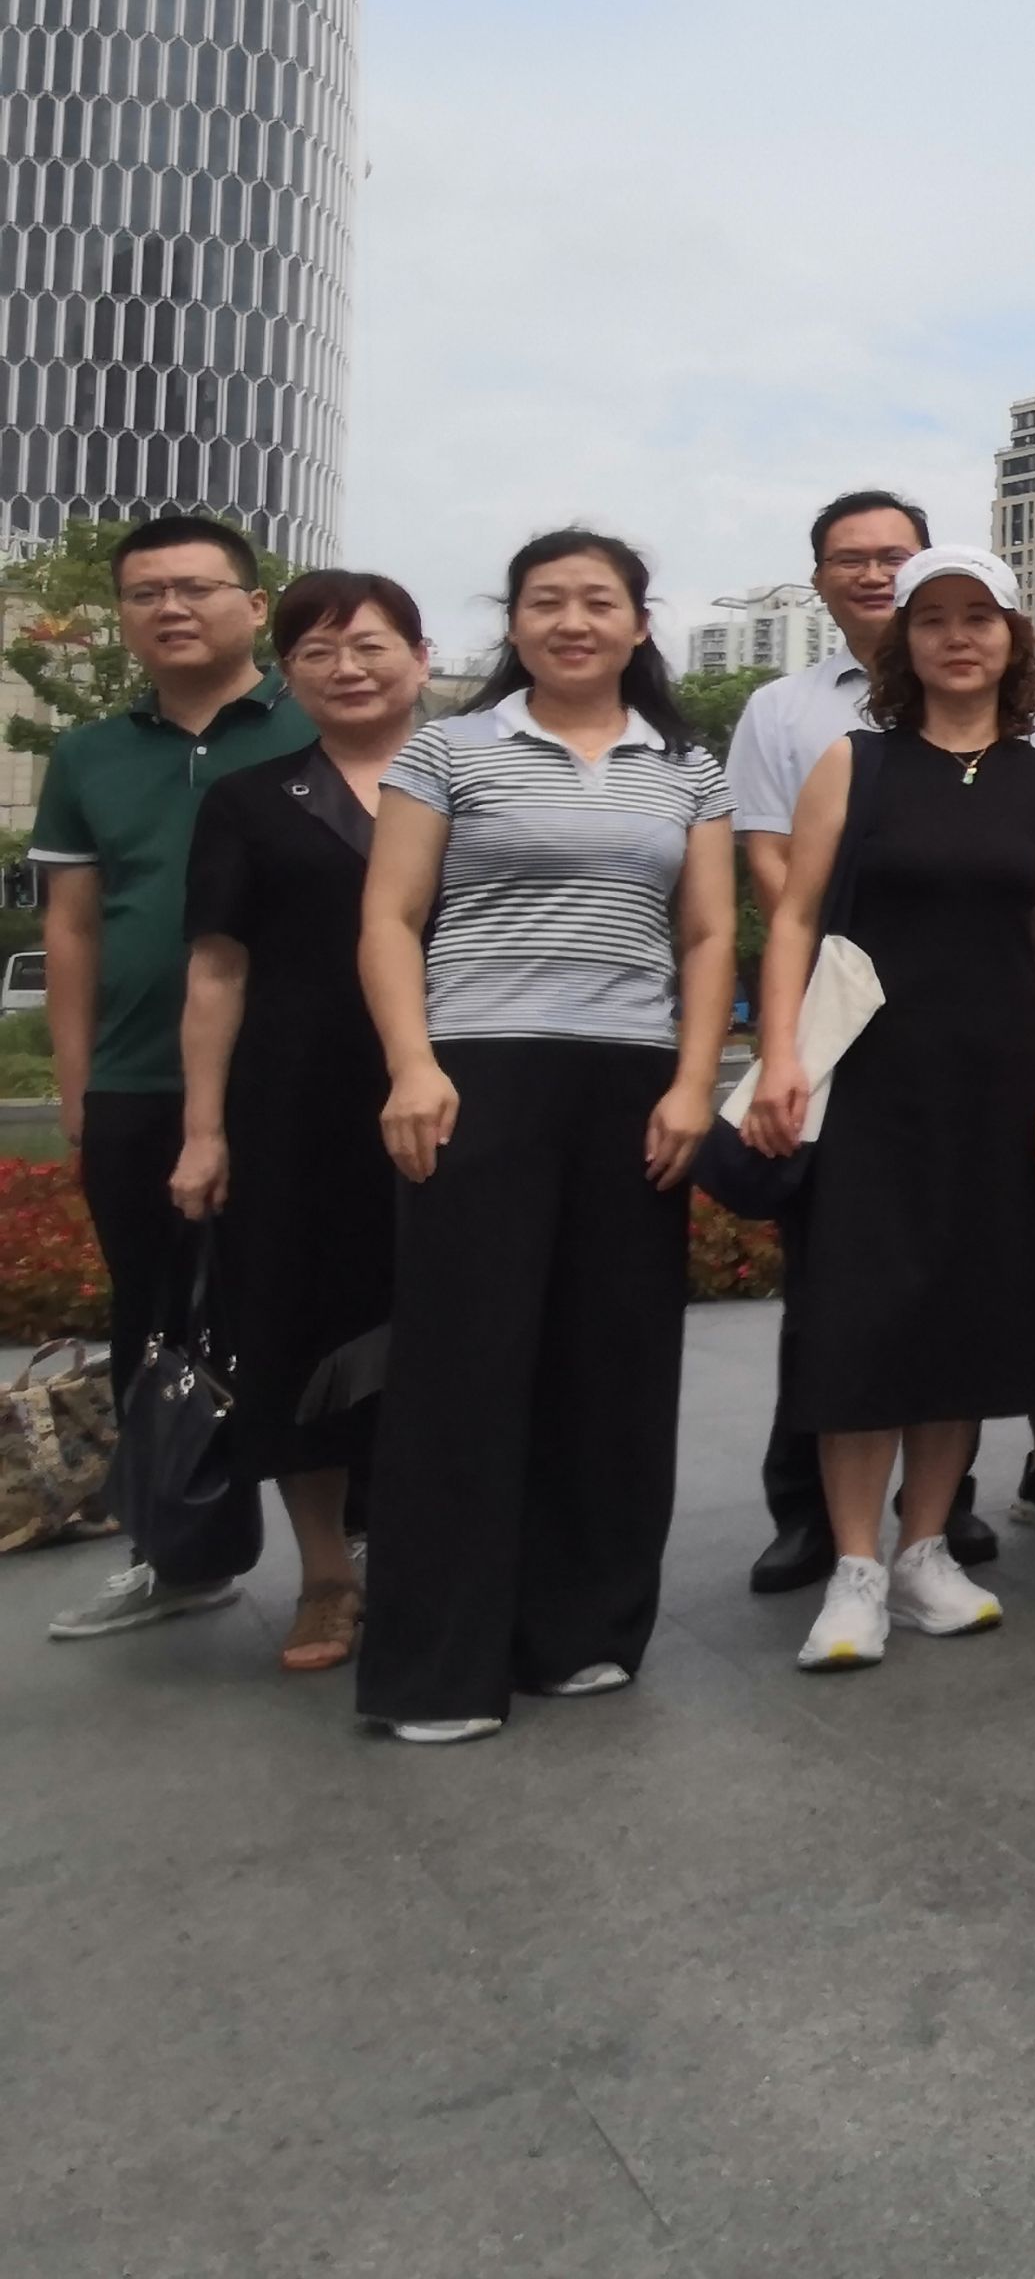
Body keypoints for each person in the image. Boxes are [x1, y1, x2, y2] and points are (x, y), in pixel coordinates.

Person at [354, 530, 736, 1741]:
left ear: (638, 624)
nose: (573, 622)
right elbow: (390, 915)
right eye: (546, 602)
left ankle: (583, 1631)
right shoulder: (448, 748)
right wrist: (412, 1065)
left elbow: (708, 936)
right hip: (478, 1072)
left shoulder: (687, 766)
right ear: (513, 622)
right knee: (460, 1367)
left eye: (598, 602)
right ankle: (437, 1670)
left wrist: (693, 1085)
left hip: (630, 1080)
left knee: (612, 1360)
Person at [743, 550, 1035, 1674]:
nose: (956, 637)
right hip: (872, 1077)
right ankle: (853, 1570)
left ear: (1013, 639)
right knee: (863, 1312)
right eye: (933, 619)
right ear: (907, 642)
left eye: (978, 618)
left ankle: (924, 1548)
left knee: (966, 1312)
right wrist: (782, 1053)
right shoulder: (856, 762)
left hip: (999, 1078)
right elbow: (795, 918)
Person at [35, 512, 313, 1640]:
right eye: (146, 592)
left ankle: (353, 1555)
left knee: (328, 1308)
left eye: (196, 587)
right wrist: (80, 1086)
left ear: (254, 604)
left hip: (302, 1076)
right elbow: (72, 929)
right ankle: (181, 1556)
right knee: (154, 1321)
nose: (171, 607)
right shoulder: (89, 755)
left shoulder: (323, 721)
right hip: (139, 1079)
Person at [156, 573, 429, 1672]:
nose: (347, 668)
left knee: (445, 1329)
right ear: (287, 674)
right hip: (295, 1108)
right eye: (317, 652)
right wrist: (204, 1129)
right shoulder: (250, 800)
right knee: (297, 1331)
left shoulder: (477, 784)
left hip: (456, 1095)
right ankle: (326, 1578)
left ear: (420, 657)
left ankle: (432, 1558)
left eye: (370, 645)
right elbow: (217, 972)